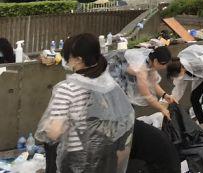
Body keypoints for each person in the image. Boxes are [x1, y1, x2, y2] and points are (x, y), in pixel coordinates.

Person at [36, 33, 134, 173]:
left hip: (76, 160)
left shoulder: (66, 88)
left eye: (68, 57)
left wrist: (46, 125)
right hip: (105, 158)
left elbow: (54, 133)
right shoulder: (109, 84)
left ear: (78, 60)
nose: (66, 61)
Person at [122, 46, 175, 119]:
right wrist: (162, 108)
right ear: (156, 61)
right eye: (164, 64)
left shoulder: (150, 60)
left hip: (127, 76)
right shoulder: (141, 69)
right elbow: (146, 95)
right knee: (123, 108)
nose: (165, 67)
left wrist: (165, 95)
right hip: (117, 78)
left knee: (128, 110)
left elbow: (153, 83)